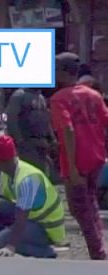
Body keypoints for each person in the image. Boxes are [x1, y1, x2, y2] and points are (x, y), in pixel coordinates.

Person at [49, 51, 108, 260]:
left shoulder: (59, 99)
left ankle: (98, 252)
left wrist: (73, 168)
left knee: (79, 208)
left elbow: (68, 130)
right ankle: (99, 246)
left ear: (63, 73)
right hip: (96, 157)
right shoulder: (94, 95)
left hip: (76, 159)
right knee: (90, 202)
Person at [6, 84, 56, 181]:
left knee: (43, 172)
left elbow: (46, 119)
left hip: (42, 140)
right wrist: (18, 139)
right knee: (31, 172)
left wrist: (52, 138)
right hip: (27, 141)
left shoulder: (40, 97)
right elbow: (12, 118)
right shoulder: (19, 95)